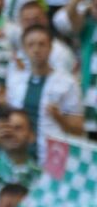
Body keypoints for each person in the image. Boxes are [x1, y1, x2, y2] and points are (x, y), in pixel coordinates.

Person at [5, 25, 84, 156]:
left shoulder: (67, 83)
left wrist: (59, 118)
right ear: (24, 49)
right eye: (31, 45)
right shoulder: (15, 81)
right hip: (21, 155)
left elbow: (79, 129)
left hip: (54, 155)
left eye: (42, 44)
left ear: (51, 48)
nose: (36, 49)